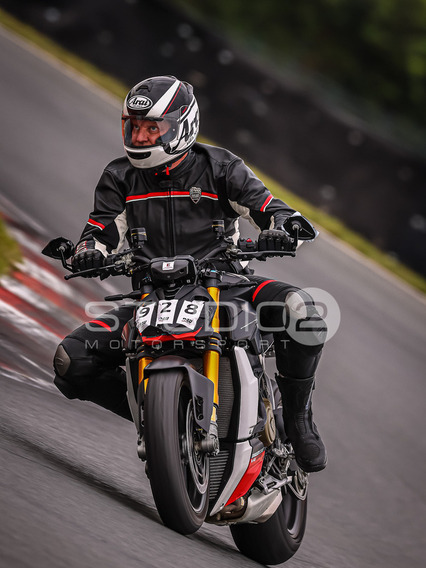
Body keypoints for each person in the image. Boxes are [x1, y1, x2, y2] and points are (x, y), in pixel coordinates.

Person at [53, 75, 327, 472]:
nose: (140, 137)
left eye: (152, 128)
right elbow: (100, 232)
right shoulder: (119, 177)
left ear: (182, 126)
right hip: (152, 298)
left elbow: (269, 207)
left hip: (227, 287)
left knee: (304, 313)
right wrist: (87, 253)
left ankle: (298, 420)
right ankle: (168, 419)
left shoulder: (221, 168)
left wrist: (284, 227)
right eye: (134, 126)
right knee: (71, 361)